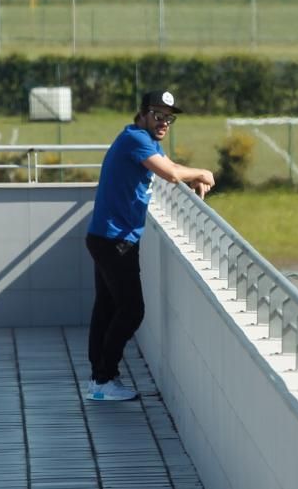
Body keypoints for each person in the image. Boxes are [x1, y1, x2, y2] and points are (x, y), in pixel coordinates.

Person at [85, 90, 215, 401]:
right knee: (131, 310)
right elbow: (170, 173)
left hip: (106, 236)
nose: (164, 123)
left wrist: (190, 177)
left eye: (169, 118)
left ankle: (99, 380)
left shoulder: (142, 140)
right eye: (158, 116)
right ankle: (103, 378)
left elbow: (167, 165)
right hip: (116, 240)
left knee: (106, 307)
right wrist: (201, 172)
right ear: (142, 113)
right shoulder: (135, 140)